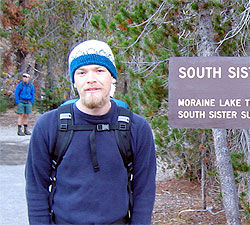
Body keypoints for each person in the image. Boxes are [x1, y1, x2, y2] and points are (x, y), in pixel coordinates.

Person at [25, 39, 157, 224]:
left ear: (112, 78)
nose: (91, 79)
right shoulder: (49, 125)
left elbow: (145, 190)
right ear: (74, 81)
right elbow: (36, 187)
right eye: (82, 72)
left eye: (99, 70)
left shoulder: (136, 128)